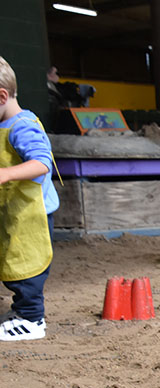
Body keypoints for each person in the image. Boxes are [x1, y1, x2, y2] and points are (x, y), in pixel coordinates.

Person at [0, 56, 59, 341]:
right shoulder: (5, 124)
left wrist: (6, 174)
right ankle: (21, 310)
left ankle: (32, 319)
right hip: (14, 210)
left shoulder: (22, 125)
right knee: (12, 259)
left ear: (1, 96)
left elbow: (42, 162)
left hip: (32, 214)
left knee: (27, 265)